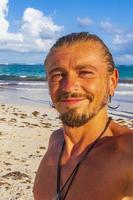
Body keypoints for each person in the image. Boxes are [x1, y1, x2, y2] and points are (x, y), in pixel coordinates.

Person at [33, 32, 133, 200]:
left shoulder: (127, 153)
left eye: (85, 72)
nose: (69, 87)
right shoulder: (56, 141)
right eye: (58, 75)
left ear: (112, 81)